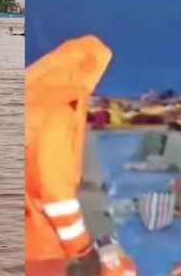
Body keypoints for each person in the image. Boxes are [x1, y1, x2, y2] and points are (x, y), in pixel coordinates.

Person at [25, 35, 135, 276]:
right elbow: (56, 194)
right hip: (40, 246)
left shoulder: (34, 100)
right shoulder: (58, 117)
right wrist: (83, 251)